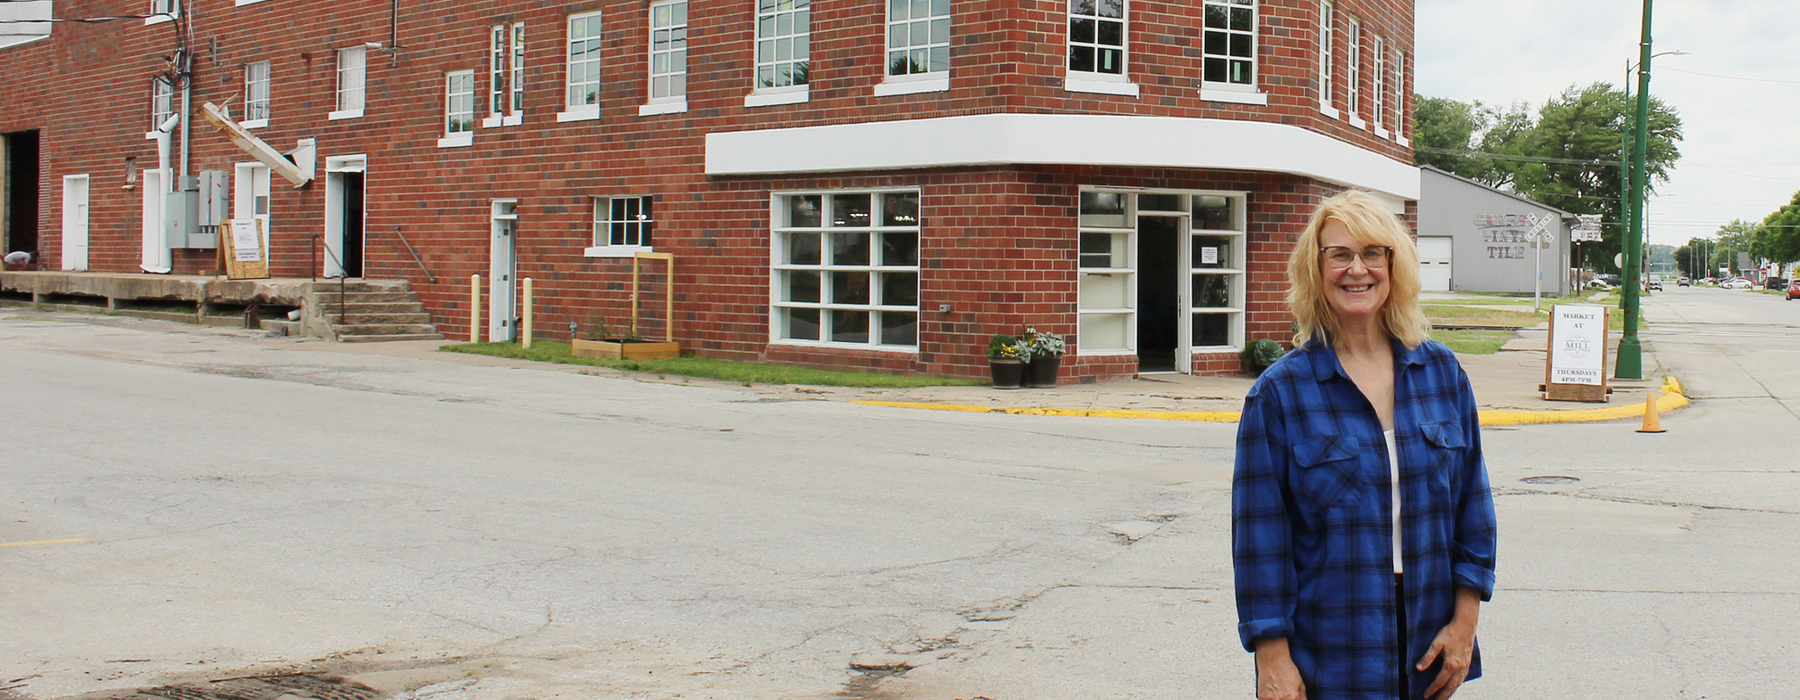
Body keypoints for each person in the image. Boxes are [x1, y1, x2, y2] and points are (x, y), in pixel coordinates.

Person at [1232, 190, 1497, 700]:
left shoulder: (1442, 374)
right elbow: (1260, 540)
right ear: (1317, 268)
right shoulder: (1280, 394)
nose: (1358, 269)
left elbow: (1474, 508)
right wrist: (1272, 656)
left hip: (1428, 643)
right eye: (1340, 254)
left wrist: (1464, 626)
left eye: (1372, 253)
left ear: (1394, 266)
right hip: (1328, 649)